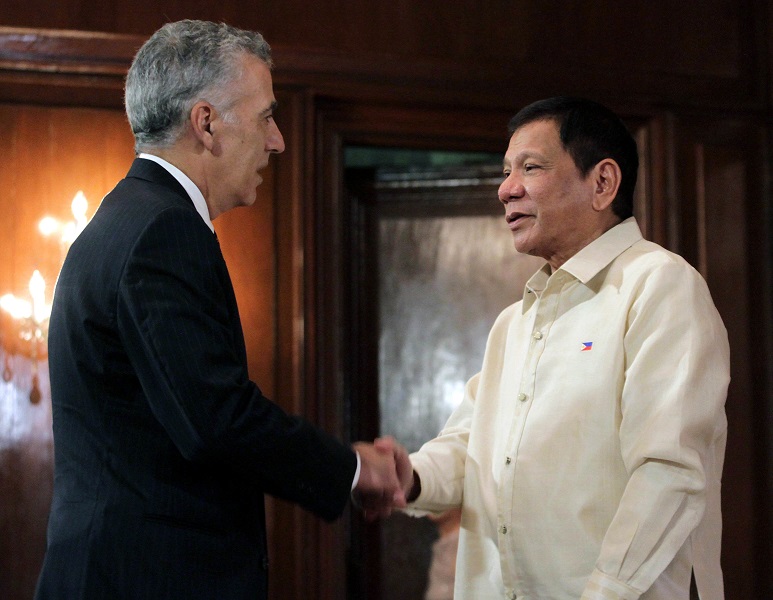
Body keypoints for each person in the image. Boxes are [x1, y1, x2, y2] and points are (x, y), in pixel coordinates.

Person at [35, 20, 405, 600]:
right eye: (265, 117)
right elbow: (215, 420)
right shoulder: (163, 230)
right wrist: (351, 469)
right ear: (206, 123)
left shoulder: (126, 217)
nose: (278, 141)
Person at [386, 97, 730, 599]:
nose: (506, 188)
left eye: (530, 167)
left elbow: (670, 472)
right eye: (506, 171)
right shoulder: (513, 323)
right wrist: (409, 477)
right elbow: (470, 449)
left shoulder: (660, 285)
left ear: (603, 183)